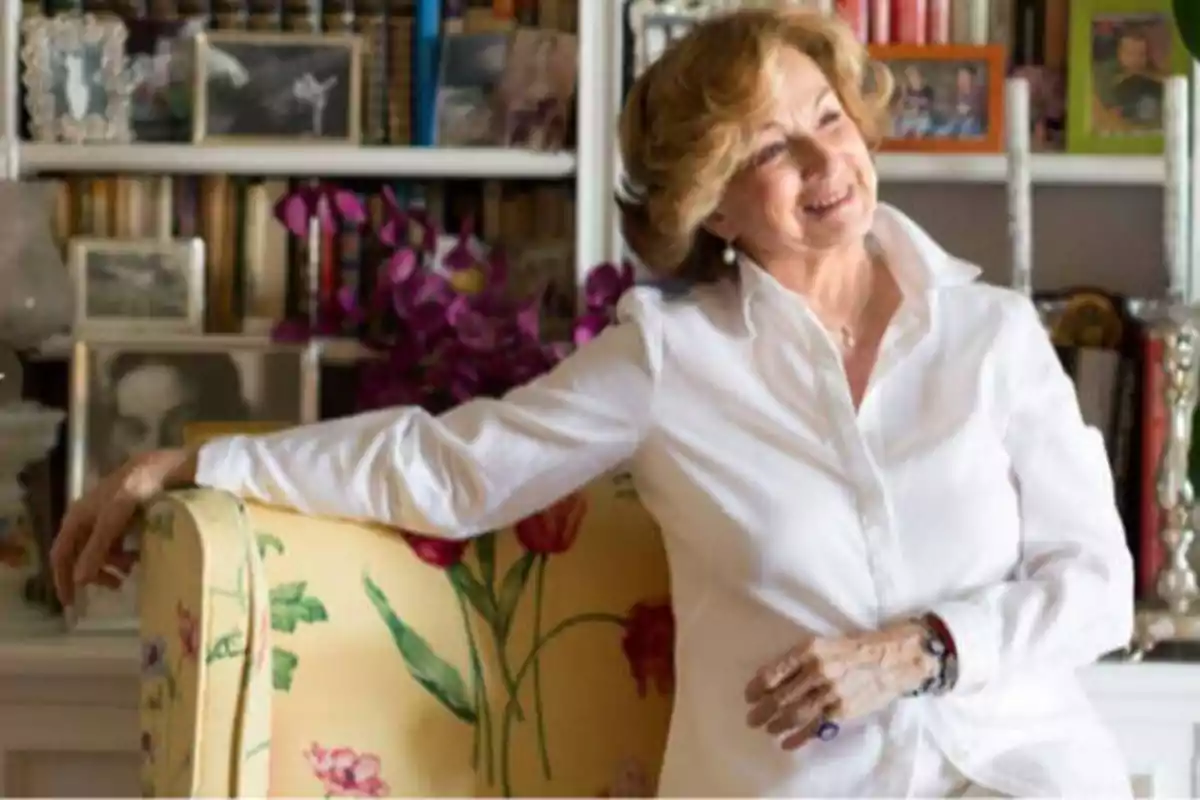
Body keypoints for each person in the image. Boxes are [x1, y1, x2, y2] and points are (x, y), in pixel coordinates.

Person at [53, 9, 1134, 798]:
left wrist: (925, 646)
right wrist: (200, 463)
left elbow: (1097, 586)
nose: (824, 160)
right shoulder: (670, 359)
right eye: (768, 147)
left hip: (1020, 771)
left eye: (826, 115)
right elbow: (451, 468)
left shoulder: (990, 332)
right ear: (707, 202)